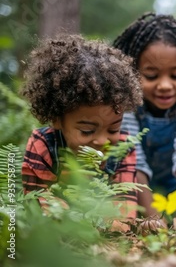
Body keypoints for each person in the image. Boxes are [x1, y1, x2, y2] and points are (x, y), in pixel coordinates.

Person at [21, 34, 143, 231]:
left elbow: (124, 208)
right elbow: (37, 202)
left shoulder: (123, 148)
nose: (103, 140)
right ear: (57, 119)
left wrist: (114, 224)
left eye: (113, 128)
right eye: (87, 131)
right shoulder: (43, 146)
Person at [113, 13, 176, 217]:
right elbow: (132, 159)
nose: (165, 85)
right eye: (152, 76)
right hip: (136, 189)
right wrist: (152, 218)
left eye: (175, 75)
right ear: (132, 71)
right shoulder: (128, 103)